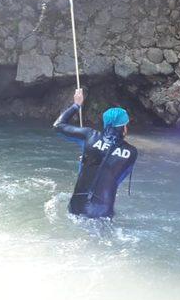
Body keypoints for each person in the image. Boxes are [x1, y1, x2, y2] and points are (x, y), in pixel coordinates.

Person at [53, 88, 138, 219]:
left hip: (76, 207)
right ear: (124, 127)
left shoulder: (90, 136)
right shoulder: (131, 152)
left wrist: (76, 105)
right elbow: (115, 180)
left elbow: (58, 126)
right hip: (102, 212)